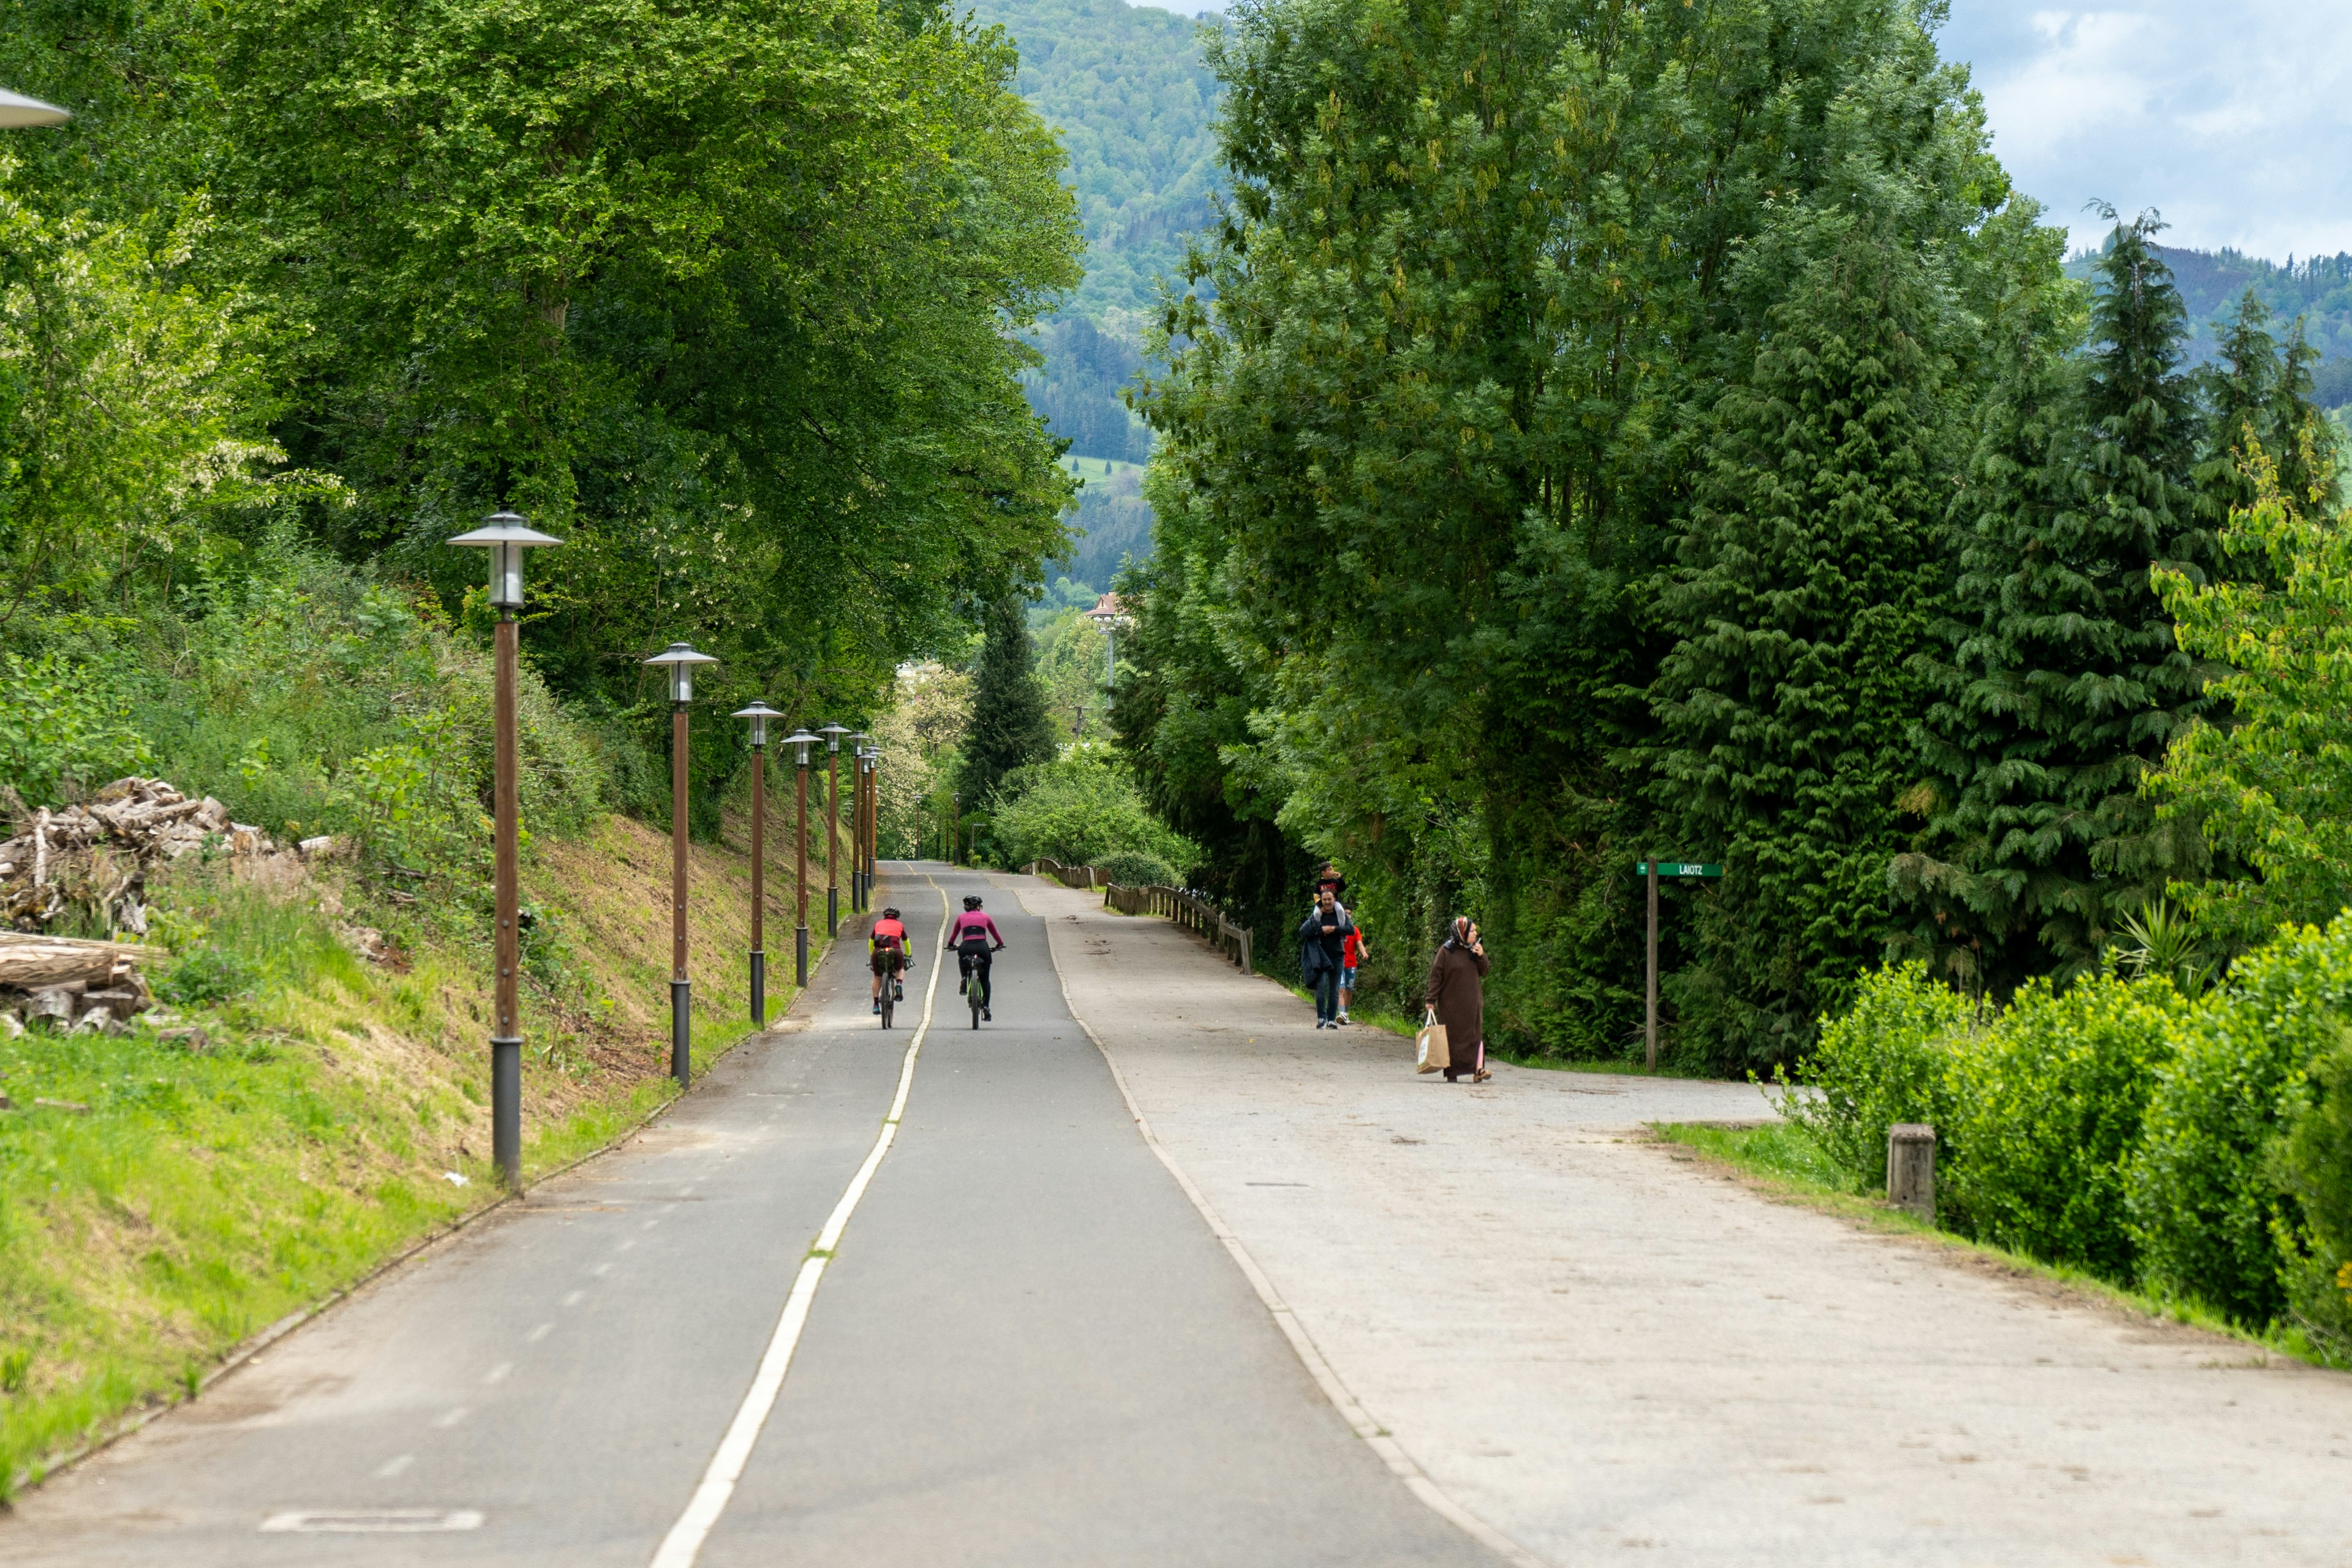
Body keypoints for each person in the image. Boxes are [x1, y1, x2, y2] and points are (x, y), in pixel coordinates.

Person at [1425, 914, 1491, 1082]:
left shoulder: (1475, 950)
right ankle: (1452, 1072)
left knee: (1475, 1036)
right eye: (1473, 931)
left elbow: (1485, 971)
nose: (1476, 934)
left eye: (1476, 931)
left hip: (1472, 1003)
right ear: (1463, 932)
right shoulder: (1446, 951)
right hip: (1451, 1005)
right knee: (1452, 1039)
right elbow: (1436, 976)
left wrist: (1482, 955)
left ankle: (1478, 1070)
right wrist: (1430, 1000)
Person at [943, 894, 1006, 1020]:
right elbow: (995, 933)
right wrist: (1000, 944)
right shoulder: (986, 917)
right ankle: (986, 1007)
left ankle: (964, 978)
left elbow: (954, 934)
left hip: (966, 946)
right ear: (978, 907)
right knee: (985, 979)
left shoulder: (961, 917)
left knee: (962, 957)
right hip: (982, 946)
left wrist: (951, 945)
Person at [1296, 891, 1354, 1029]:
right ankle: (1321, 1018)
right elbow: (1303, 931)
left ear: (1335, 900)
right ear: (1321, 900)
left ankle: (1331, 1020)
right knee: (1320, 988)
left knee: (1334, 990)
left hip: (1337, 955)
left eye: (1330, 899)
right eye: (1325, 900)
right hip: (1320, 957)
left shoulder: (1341, 915)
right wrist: (1322, 930)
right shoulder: (1317, 915)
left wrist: (1334, 929)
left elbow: (1350, 930)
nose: (1327, 902)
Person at [869, 907, 910, 1014]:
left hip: (878, 951)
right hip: (895, 951)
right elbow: (906, 942)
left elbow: (871, 941)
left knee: (877, 977)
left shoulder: (878, 924)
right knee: (899, 969)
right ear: (897, 917)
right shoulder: (899, 925)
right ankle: (899, 985)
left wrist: (871, 954)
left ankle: (876, 1005)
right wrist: (908, 955)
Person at [1338, 919, 1368, 1025]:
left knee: (1349, 990)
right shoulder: (1337, 930)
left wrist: (1364, 953)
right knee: (1341, 988)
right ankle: (1341, 1013)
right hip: (1339, 964)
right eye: (1345, 914)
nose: (1348, 916)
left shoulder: (1355, 930)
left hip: (1351, 965)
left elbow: (1360, 944)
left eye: (1349, 914)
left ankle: (1346, 1014)